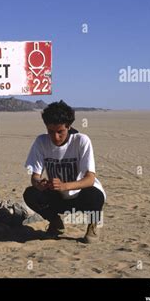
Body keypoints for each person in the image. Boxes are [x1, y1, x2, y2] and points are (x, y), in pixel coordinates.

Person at [23, 100, 106, 243]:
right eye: (51, 131)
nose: (55, 137)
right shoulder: (41, 142)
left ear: (68, 126)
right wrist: (40, 184)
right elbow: (34, 177)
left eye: (60, 132)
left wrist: (65, 186)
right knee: (31, 194)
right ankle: (55, 223)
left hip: (79, 194)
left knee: (95, 195)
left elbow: (90, 179)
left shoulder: (81, 140)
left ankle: (93, 225)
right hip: (58, 196)